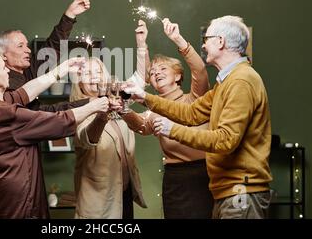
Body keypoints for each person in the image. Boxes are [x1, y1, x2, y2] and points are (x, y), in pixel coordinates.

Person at [124, 16, 272, 219]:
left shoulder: (242, 81)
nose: (204, 44)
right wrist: (144, 97)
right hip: (227, 189)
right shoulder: (226, 82)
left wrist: (170, 129)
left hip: (240, 189)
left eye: (207, 38)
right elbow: (191, 113)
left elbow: (225, 140)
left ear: (220, 42)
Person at [0, 43, 109, 219]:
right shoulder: (4, 115)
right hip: (16, 205)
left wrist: (61, 69)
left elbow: (24, 93)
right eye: (3, 67)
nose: (8, 70)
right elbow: (60, 120)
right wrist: (98, 104)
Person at [120, 18, 213, 219]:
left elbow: (200, 70)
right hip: (174, 179)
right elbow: (141, 126)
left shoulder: (195, 98)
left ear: (178, 76)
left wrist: (178, 39)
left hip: (204, 174)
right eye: (153, 73)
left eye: (163, 69)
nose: (156, 73)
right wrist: (122, 111)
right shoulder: (154, 109)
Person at [70, 57, 147, 219]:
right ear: (79, 82)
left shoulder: (117, 103)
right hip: (98, 199)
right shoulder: (77, 110)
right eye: (87, 73)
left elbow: (141, 79)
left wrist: (141, 45)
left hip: (124, 193)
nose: (94, 77)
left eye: (98, 72)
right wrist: (102, 117)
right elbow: (86, 139)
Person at [0, 0, 91, 111]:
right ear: (3, 54)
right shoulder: (4, 86)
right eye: (20, 46)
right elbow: (40, 113)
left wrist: (70, 15)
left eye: (26, 45)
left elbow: (51, 49)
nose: (28, 50)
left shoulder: (25, 73)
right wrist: (88, 103)